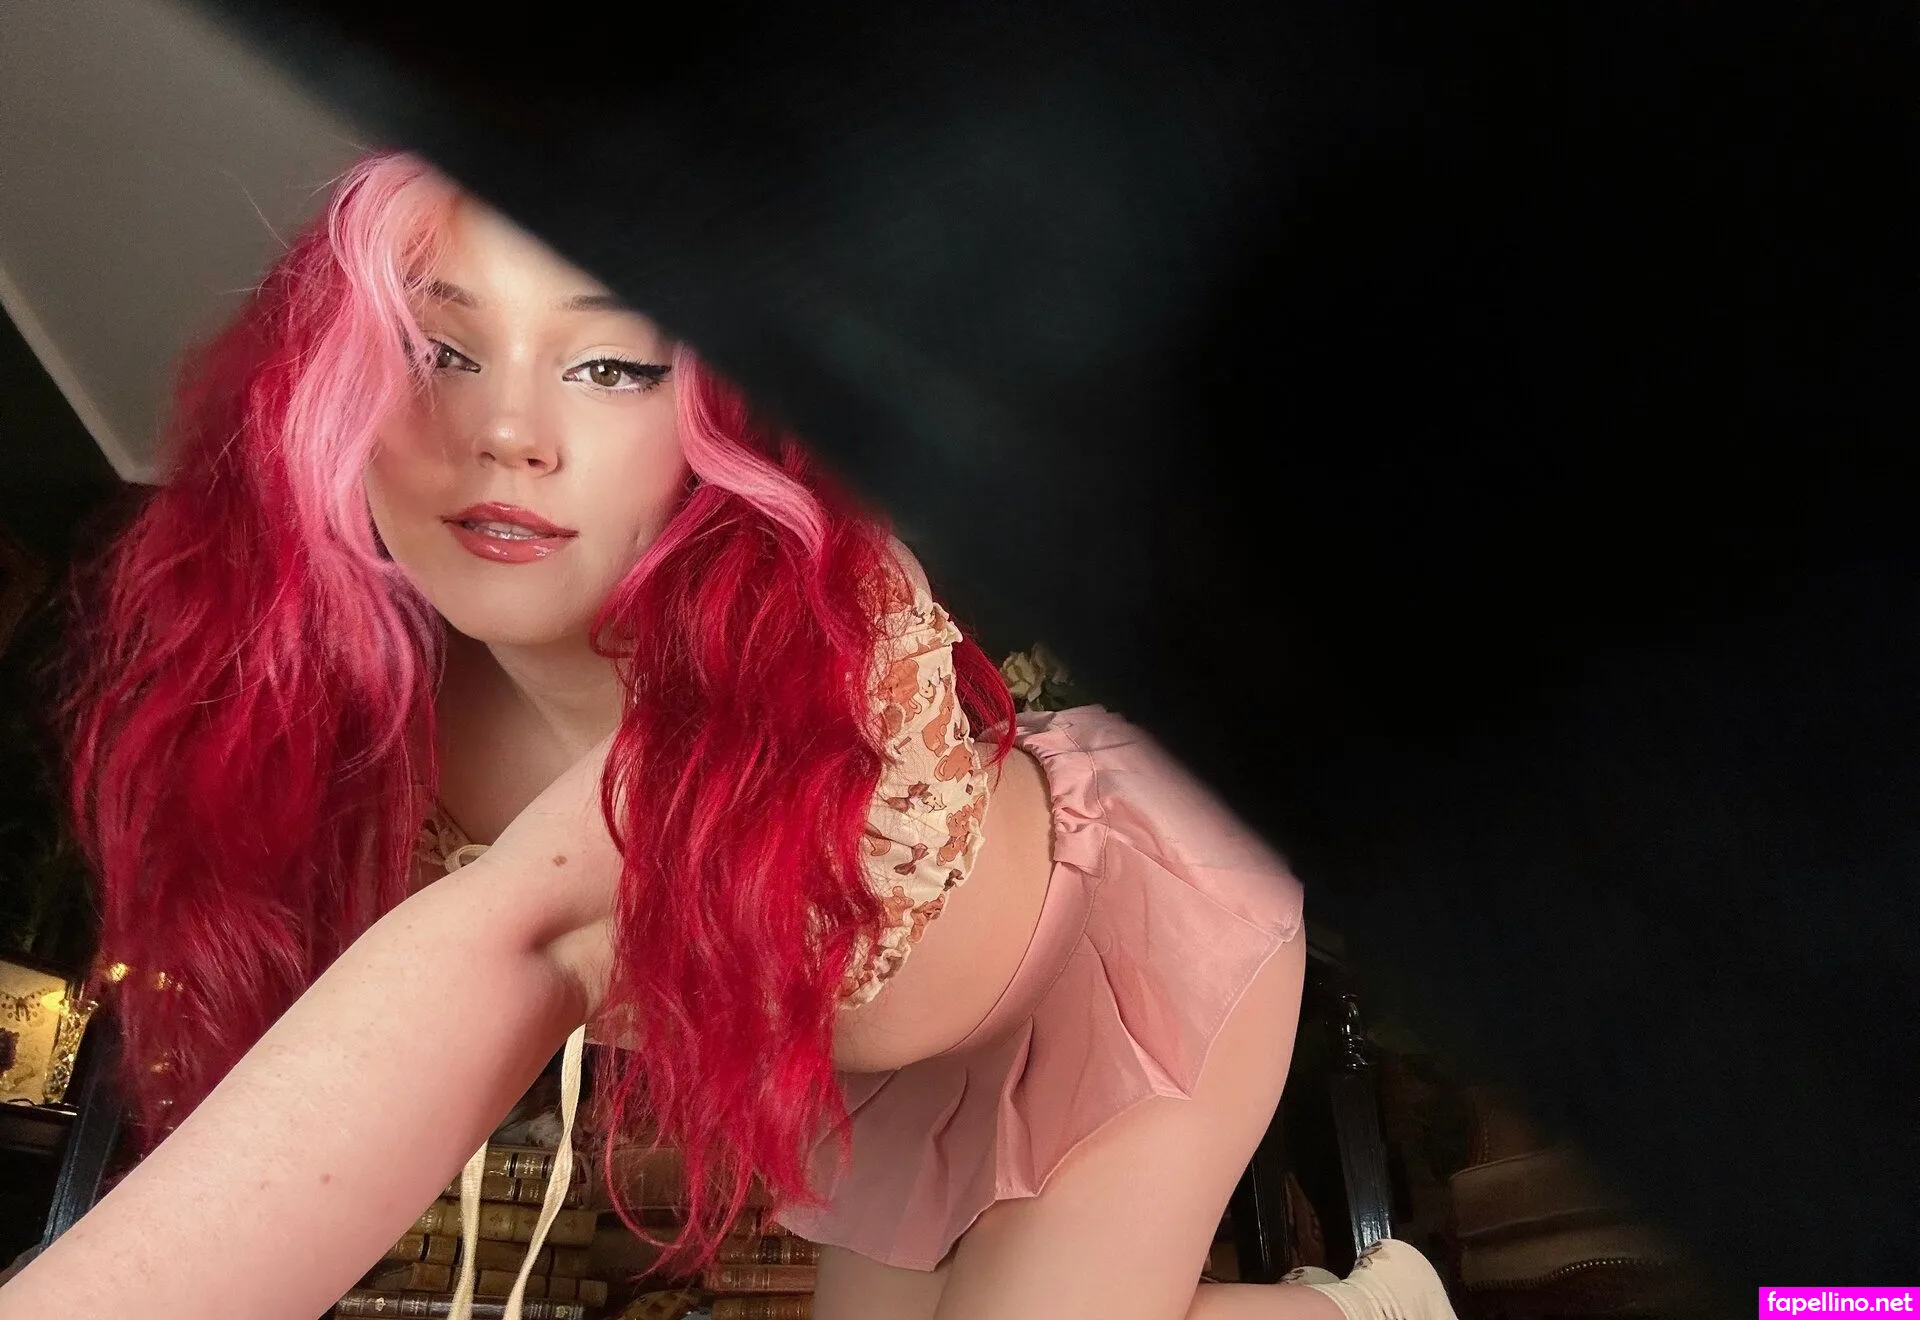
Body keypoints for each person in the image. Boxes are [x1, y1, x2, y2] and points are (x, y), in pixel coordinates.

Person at [0, 153, 1453, 1320]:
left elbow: (518, 940)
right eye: (439, 348)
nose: (506, 434)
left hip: (1126, 940)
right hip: (894, 1075)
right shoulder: (367, 701)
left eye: (613, 365)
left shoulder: (800, 628)